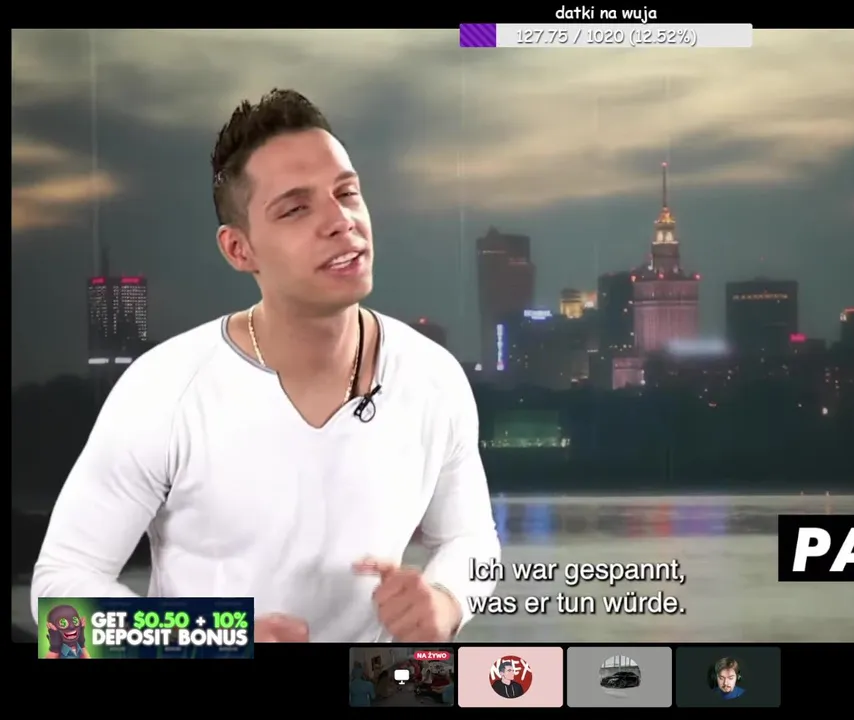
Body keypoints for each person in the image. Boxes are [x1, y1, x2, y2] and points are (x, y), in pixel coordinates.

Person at [29, 89, 501, 643]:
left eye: (347, 192)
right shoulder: (165, 391)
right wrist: (214, 640)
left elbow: (471, 541)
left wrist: (447, 600)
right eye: (296, 208)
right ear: (239, 249)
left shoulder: (432, 378)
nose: (341, 221)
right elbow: (56, 597)